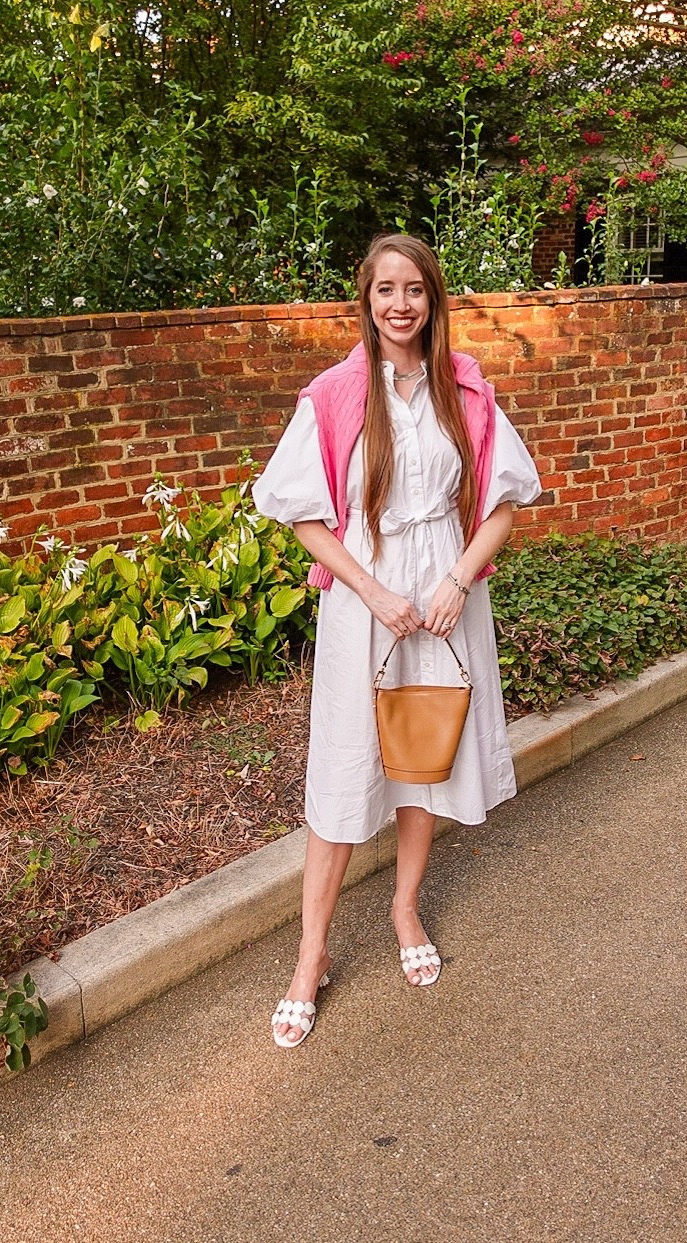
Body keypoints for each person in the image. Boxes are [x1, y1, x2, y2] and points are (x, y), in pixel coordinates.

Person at [252, 233, 541, 1048]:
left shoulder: (464, 389)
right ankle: (311, 954)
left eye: (414, 288)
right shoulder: (336, 394)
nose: (400, 303)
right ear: (367, 299)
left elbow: (504, 505)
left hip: (447, 597)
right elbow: (305, 516)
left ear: (432, 298)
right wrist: (374, 590)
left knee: (423, 755)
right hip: (365, 598)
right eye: (386, 289)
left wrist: (458, 580)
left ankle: (405, 908)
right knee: (346, 771)